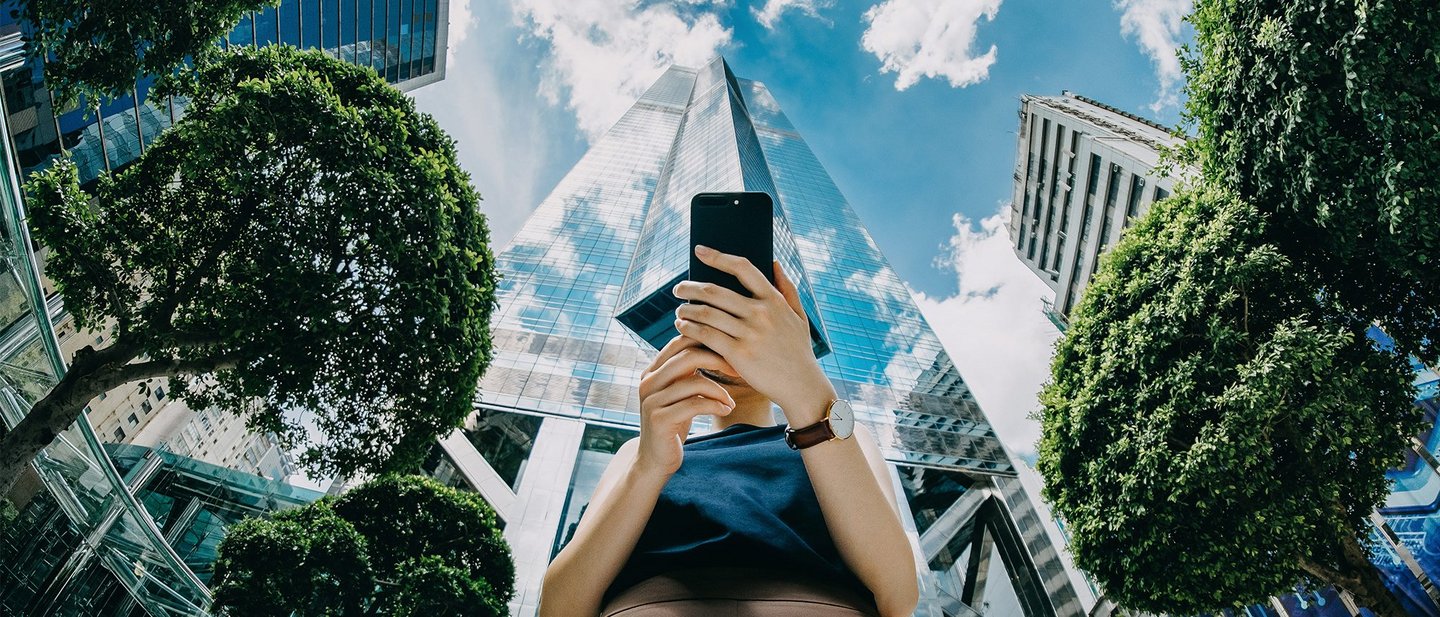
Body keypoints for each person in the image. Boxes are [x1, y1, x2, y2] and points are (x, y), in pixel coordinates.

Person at [539, 244, 920, 617]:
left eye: (748, 321)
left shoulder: (836, 433)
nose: (731, 335)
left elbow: (897, 596)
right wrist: (649, 467)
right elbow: (560, 607)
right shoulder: (638, 452)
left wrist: (808, 392)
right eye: (714, 322)